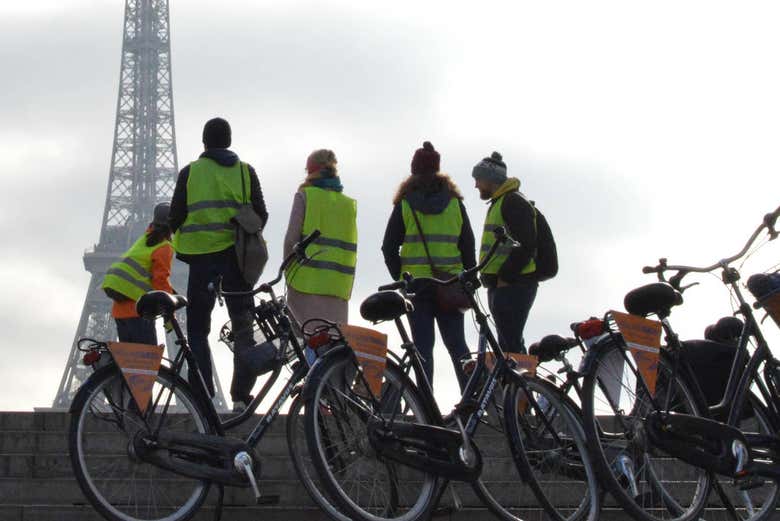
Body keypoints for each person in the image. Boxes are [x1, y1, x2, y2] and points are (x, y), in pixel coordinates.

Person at [169, 117, 268, 410]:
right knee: (243, 328)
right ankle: (240, 396)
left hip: (201, 261)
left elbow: (175, 216)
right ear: (229, 141)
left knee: (198, 330)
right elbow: (261, 214)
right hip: (237, 260)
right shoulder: (245, 172)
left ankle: (202, 394)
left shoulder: (190, 173)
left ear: (204, 142)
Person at [382, 141, 475, 390]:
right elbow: (468, 246)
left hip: (416, 285)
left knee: (422, 349)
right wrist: (469, 280)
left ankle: (426, 409)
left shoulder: (405, 205)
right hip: (451, 284)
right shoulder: (455, 204)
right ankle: (474, 405)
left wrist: (402, 277)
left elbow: (388, 247)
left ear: (413, 171)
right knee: (458, 347)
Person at [283, 149, 357, 347]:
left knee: (307, 340)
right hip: (338, 285)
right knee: (333, 345)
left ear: (311, 171)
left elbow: (291, 239)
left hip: (305, 282)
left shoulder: (305, 196)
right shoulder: (348, 205)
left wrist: (286, 271)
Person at [473, 151, 537, 354]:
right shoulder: (501, 202)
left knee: (511, 346)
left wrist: (505, 277)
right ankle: (517, 384)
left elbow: (527, 244)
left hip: (513, 284)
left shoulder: (512, 201)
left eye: (478, 179)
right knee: (508, 345)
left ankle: (523, 384)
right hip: (502, 286)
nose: (476, 185)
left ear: (490, 179)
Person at [102, 202, 175, 344]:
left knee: (129, 362)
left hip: (120, 311)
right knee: (147, 362)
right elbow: (160, 280)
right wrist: (170, 306)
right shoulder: (164, 246)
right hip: (138, 312)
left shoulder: (145, 239)